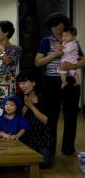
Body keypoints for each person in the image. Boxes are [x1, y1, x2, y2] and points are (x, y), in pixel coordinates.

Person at [35, 13, 83, 156]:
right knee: (51, 115)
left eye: (61, 27)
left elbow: (83, 60)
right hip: (52, 81)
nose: (58, 30)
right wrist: (55, 55)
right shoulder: (46, 41)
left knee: (71, 115)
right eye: (55, 27)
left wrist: (74, 66)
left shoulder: (74, 42)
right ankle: (50, 148)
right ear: (51, 28)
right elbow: (37, 62)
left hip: (71, 81)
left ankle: (68, 148)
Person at [17, 70, 53, 168]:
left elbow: (46, 120)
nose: (21, 86)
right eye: (20, 83)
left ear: (33, 83)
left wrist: (32, 106)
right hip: (26, 138)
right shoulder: (19, 98)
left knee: (45, 163)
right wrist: (26, 106)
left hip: (42, 139)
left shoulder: (44, 98)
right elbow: (19, 120)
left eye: (24, 83)